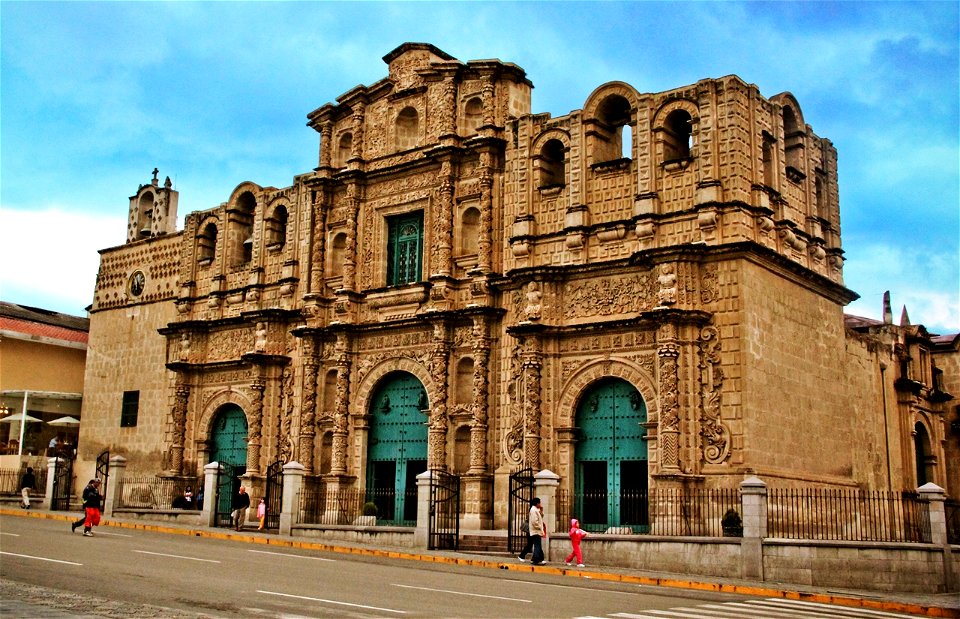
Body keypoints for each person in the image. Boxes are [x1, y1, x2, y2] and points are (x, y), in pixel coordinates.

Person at [518, 497, 546, 565]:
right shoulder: (533, 510)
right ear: (537, 503)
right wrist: (539, 527)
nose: (540, 504)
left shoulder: (536, 509)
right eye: (539, 503)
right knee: (537, 545)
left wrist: (541, 511)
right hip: (535, 530)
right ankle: (536, 559)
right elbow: (534, 522)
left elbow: (541, 517)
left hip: (535, 531)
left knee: (537, 545)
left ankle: (539, 559)